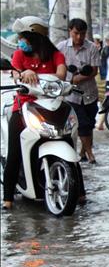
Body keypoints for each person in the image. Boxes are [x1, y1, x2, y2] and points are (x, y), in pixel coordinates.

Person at [3, 16, 67, 210]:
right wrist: (23, 73)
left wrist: (35, 75)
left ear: (36, 38)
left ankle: (78, 190)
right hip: (24, 107)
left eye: (24, 37)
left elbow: (62, 75)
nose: (21, 41)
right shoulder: (19, 56)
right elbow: (15, 73)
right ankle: (8, 198)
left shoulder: (56, 55)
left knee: (67, 139)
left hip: (51, 106)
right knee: (14, 151)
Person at [57, 18, 101, 164]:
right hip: (71, 95)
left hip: (90, 94)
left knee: (89, 124)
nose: (79, 37)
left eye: (82, 34)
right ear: (70, 31)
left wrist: (78, 78)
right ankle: (90, 154)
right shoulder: (61, 48)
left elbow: (94, 71)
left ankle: (83, 152)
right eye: (76, 33)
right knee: (81, 124)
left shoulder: (92, 48)